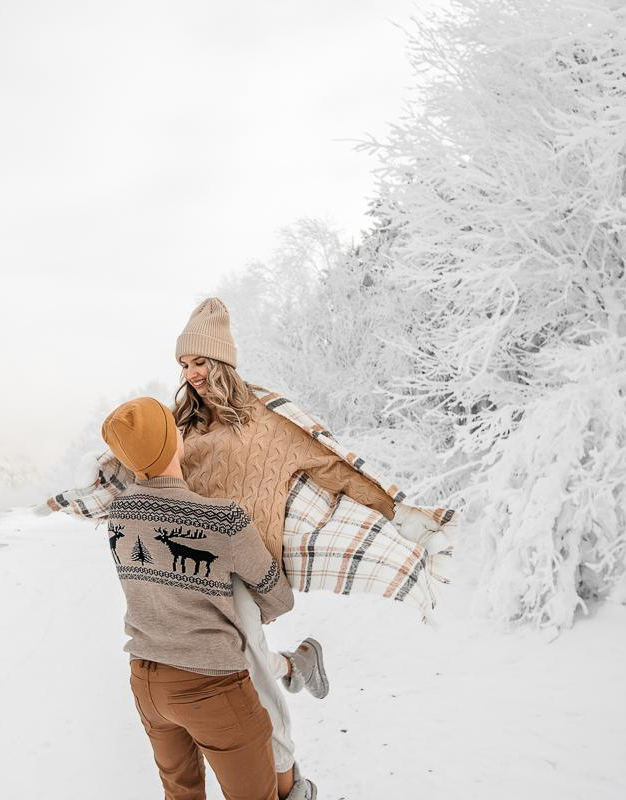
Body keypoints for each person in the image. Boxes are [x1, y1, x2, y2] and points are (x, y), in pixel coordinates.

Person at [42, 298, 457, 797]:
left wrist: (396, 511)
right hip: (204, 571)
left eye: (199, 361)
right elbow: (139, 462)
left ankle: (284, 772)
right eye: (183, 364)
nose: (191, 373)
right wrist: (82, 492)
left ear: (222, 360)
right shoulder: (182, 425)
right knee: (253, 668)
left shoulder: (271, 419)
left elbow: (333, 467)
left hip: (253, 562)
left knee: (252, 676)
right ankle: (296, 676)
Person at [100, 396, 314, 800]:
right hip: (212, 688)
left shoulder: (119, 512)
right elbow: (279, 597)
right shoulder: (221, 519)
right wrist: (257, 609)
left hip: (147, 684)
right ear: (170, 442)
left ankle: (292, 665)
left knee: (182, 796)